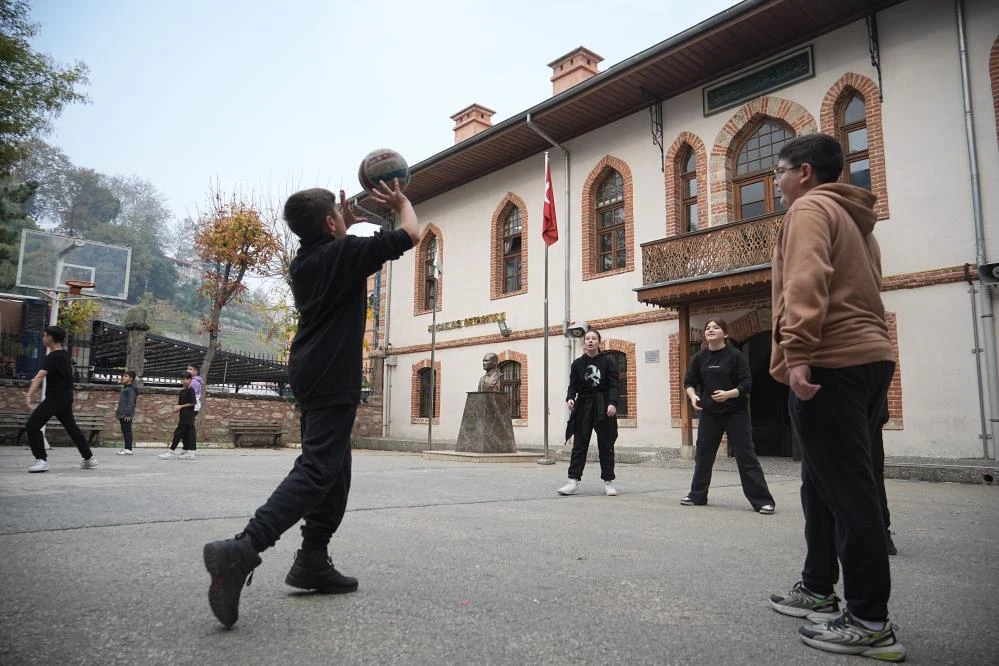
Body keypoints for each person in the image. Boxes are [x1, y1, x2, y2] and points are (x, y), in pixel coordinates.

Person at [202, 180, 420, 628]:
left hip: (311, 370)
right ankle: (243, 548)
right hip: (330, 374)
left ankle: (312, 559)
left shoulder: (304, 261)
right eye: (338, 217)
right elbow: (411, 235)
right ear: (328, 221)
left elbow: (337, 250)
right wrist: (400, 203)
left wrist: (344, 225)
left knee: (335, 470)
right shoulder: (341, 256)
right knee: (320, 467)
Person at [767, 134, 904, 661]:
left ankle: (871, 620)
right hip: (867, 357)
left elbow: (807, 279)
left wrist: (797, 350)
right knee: (820, 483)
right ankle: (819, 586)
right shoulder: (857, 221)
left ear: (803, 172)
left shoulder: (809, 210)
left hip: (830, 360)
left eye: (779, 172)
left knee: (849, 491)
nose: (776, 184)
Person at [680, 319, 775, 514]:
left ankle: (763, 501)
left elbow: (746, 384)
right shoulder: (699, 358)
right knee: (703, 456)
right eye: (707, 328)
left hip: (735, 412)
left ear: (725, 334)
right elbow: (689, 382)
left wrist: (728, 394)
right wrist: (693, 397)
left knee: (745, 456)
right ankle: (697, 495)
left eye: (716, 327)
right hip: (710, 413)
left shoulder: (735, 356)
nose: (710, 330)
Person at [23, 325, 97, 473]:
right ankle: (89, 458)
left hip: (56, 398)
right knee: (71, 427)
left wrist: (29, 395)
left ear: (50, 337)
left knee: (32, 425)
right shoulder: (64, 355)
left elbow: (39, 376)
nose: (43, 338)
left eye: (44, 336)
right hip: (66, 397)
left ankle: (41, 460)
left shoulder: (53, 356)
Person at [557, 328, 620, 497]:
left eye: (594, 338)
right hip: (583, 404)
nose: (590, 341)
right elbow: (573, 385)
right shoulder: (577, 363)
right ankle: (573, 481)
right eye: (587, 338)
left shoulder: (608, 361)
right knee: (579, 444)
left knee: (606, 444)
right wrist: (570, 398)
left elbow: (615, 384)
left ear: (599, 342)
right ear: (584, 342)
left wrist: (613, 403)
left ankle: (608, 481)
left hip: (603, 404)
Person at [158, 372, 197, 460]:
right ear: (181, 380)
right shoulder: (182, 391)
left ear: (190, 380)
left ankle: (171, 451)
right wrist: (177, 408)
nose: (185, 381)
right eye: (183, 379)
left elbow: (193, 403)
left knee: (178, 433)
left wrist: (181, 406)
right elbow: (180, 404)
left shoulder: (191, 390)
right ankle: (189, 451)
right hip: (183, 415)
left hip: (188, 415)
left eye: (187, 379)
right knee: (187, 433)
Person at [114, 370, 139, 455]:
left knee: (127, 430)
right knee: (125, 430)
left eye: (126, 376)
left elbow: (131, 402)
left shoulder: (132, 388)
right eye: (123, 376)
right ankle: (126, 448)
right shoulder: (126, 387)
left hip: (126, 414)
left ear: (131, 378)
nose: (123, 377)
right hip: (123, 413)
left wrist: (128, 414)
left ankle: (128, 449)